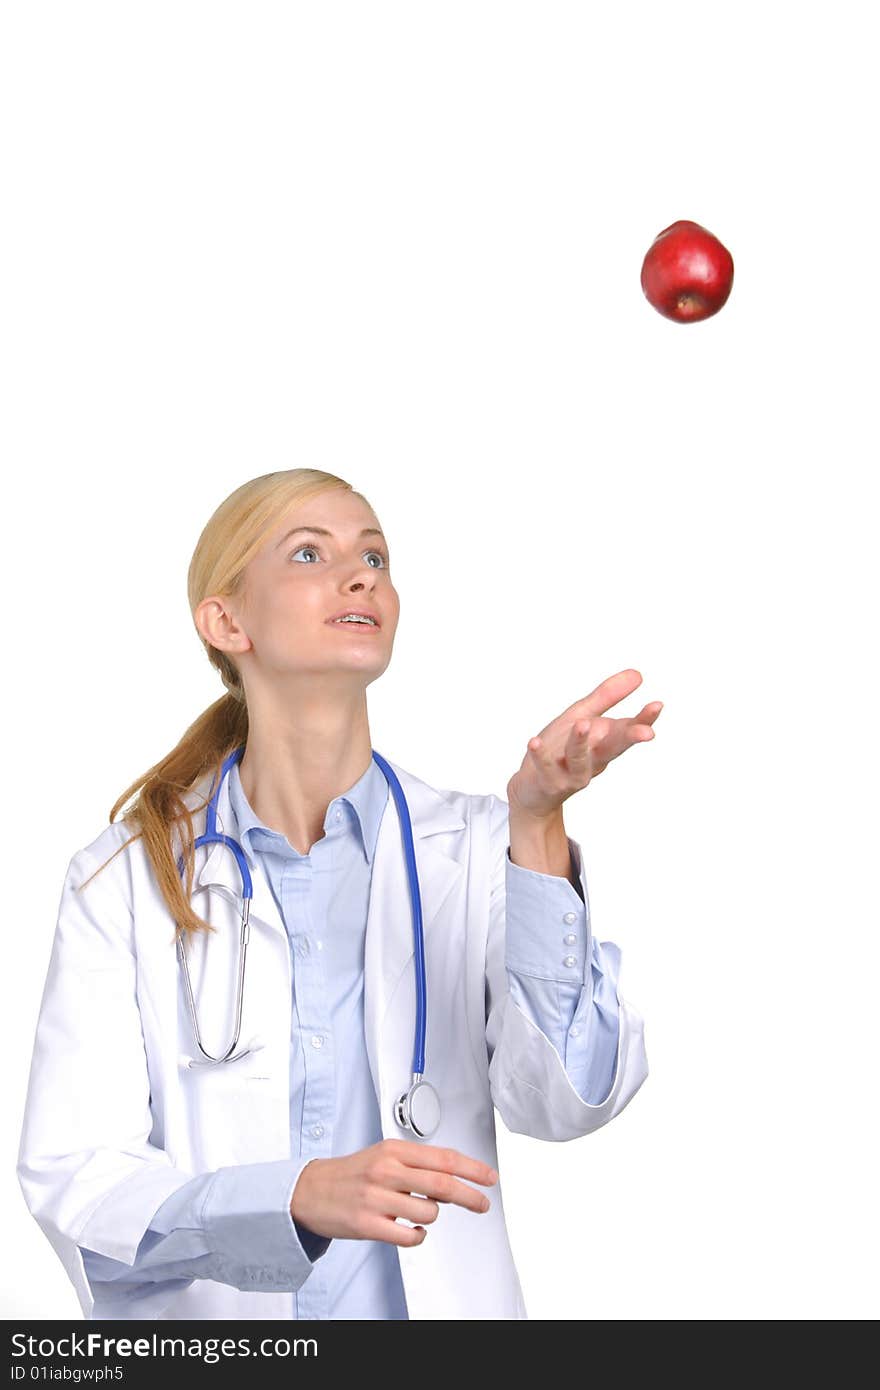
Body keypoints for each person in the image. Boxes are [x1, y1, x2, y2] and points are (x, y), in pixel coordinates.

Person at [17, 468, 658, 1321]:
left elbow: (566, 1099)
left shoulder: (474, 847)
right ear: (226, 620)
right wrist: (291, 1200)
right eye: (311, 553)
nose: (362, 576)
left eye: (376, 557)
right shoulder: (126, 879)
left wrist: (537, 823)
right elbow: (77, 1183)